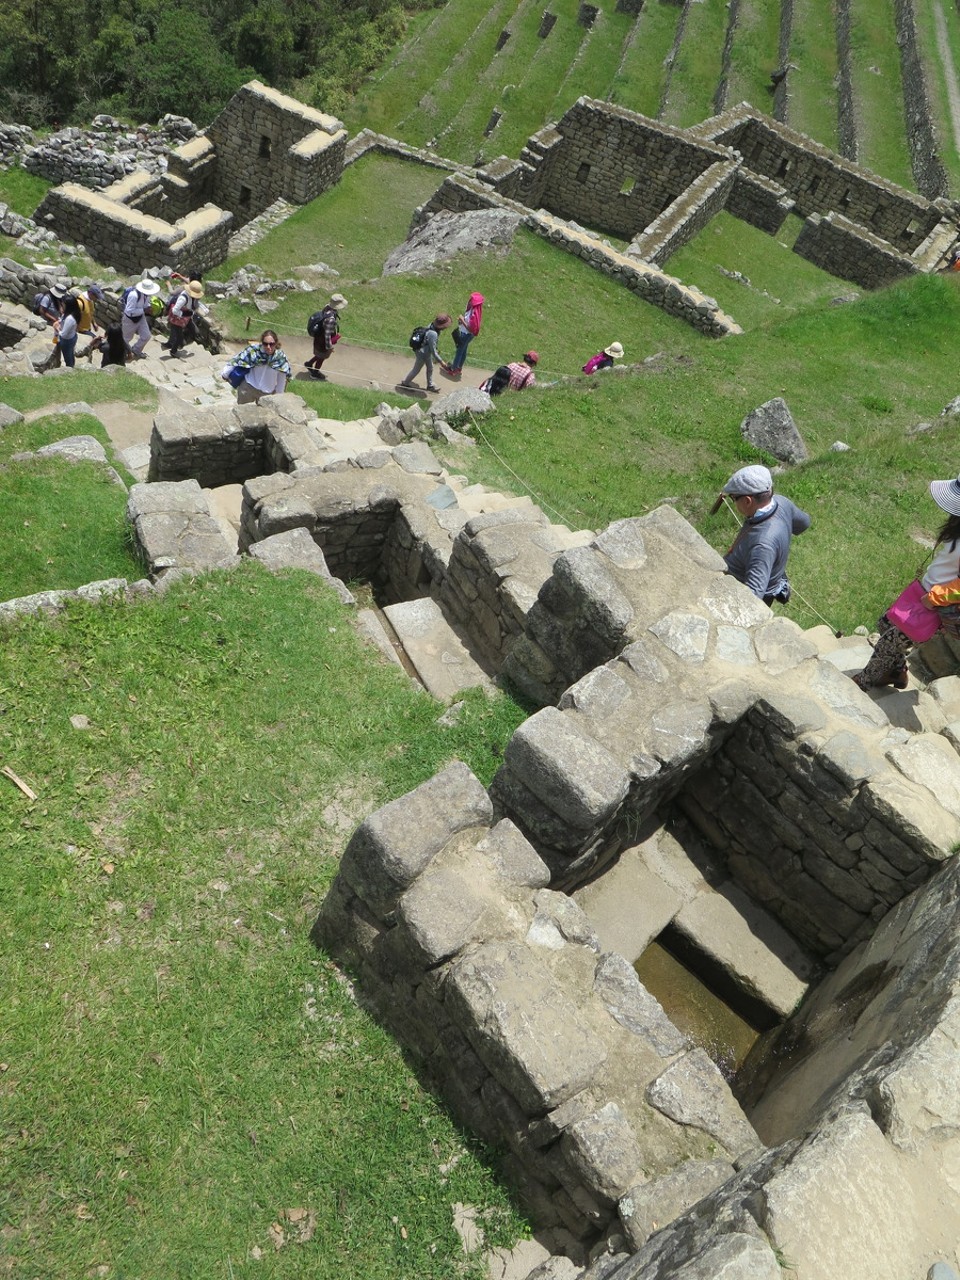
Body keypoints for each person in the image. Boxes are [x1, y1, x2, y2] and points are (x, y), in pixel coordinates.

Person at [852, 475, 960, 691]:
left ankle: (862, 683)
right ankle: (896, 673)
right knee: (885, 621)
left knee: (889, 642)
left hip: (940, 607)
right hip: (927, 597)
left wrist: (934, 598)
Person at [718, 464, 810, 605]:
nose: (733, 503)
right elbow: (804, 523)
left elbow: (753, 596)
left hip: (736, 592)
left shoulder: (763, 545)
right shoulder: (782, 502)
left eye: (733, 498)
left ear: (747, 501)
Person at [225, 330, 292, 404]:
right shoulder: (253, 351)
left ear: (276, 343)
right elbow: (237, 360)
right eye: (265, 344)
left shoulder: (280, 359)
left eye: (271, 344)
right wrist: (225, 374)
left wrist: (279, 396)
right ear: (262, 343)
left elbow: (282, 379)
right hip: (248, 387)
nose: (268, 347)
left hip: (267, 393)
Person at [400, 314, 451, 393]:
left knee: (430, 368)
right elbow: (433, 350)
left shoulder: (431, 325)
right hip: (423, 354)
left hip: (424, 351)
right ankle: (405, 383)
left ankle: (430, 385)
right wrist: (442, 362)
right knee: (416, 370)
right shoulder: (433, 334)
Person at [305, 293, 347, 381]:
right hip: (323, 342)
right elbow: (327, 335)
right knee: (322, 357)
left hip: (318, 338)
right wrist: (329, 347)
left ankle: (309, 363)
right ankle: (315, 374)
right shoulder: (330, 319)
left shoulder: (327, 308)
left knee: (319, 355)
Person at [161, 279, 207, 358]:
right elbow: (175, 310)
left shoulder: (192, 298)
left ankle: (177, 344)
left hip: (186, 318)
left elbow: (194, 306)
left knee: (195, 332)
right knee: (179, 338)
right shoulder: (183, 298)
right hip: (177, 319)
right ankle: (173, 351)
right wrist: (183, 314)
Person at [444, 291, 484, 377]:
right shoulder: (474, 310)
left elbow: (470, 329)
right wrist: (461, 321)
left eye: (471, 299)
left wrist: (462, 320)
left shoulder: (474, 313)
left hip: (466, 334)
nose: (469, 300)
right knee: (464, 350)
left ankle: (453, 369)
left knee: (459, 351)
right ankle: (458, 367)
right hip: (466, 333)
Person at [122, 278, 161, 358]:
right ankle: (121, 353)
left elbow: (145, 305)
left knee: (146, 336)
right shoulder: (133, 295)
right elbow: (129, 310)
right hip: (129, 319)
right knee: (126, 338)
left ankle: (136, 350)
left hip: (141, 317)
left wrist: (149, 308)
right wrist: (144, 310)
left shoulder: (146, 295)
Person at [75, 283, 105, 357]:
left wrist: (94, 323)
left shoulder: (90, 301)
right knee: (98, 342)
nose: (97, 299)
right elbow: (74, 318)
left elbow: (89, 313)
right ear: (91, 294)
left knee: (96, 342)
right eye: (96, 297)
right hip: (80, 330)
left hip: (87, 328)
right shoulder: (80, 303)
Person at [53, 294, 81, 369]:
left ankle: (70, 369)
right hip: (72, 337)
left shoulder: (70, 319)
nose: (61, 305)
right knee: (70, 354)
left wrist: (57, 328)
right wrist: (59, 321)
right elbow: (63, 319)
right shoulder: (73, 313)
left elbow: (63, 335)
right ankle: (72, 364)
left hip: (67, 341)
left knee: (67, 358)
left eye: (63, 304)